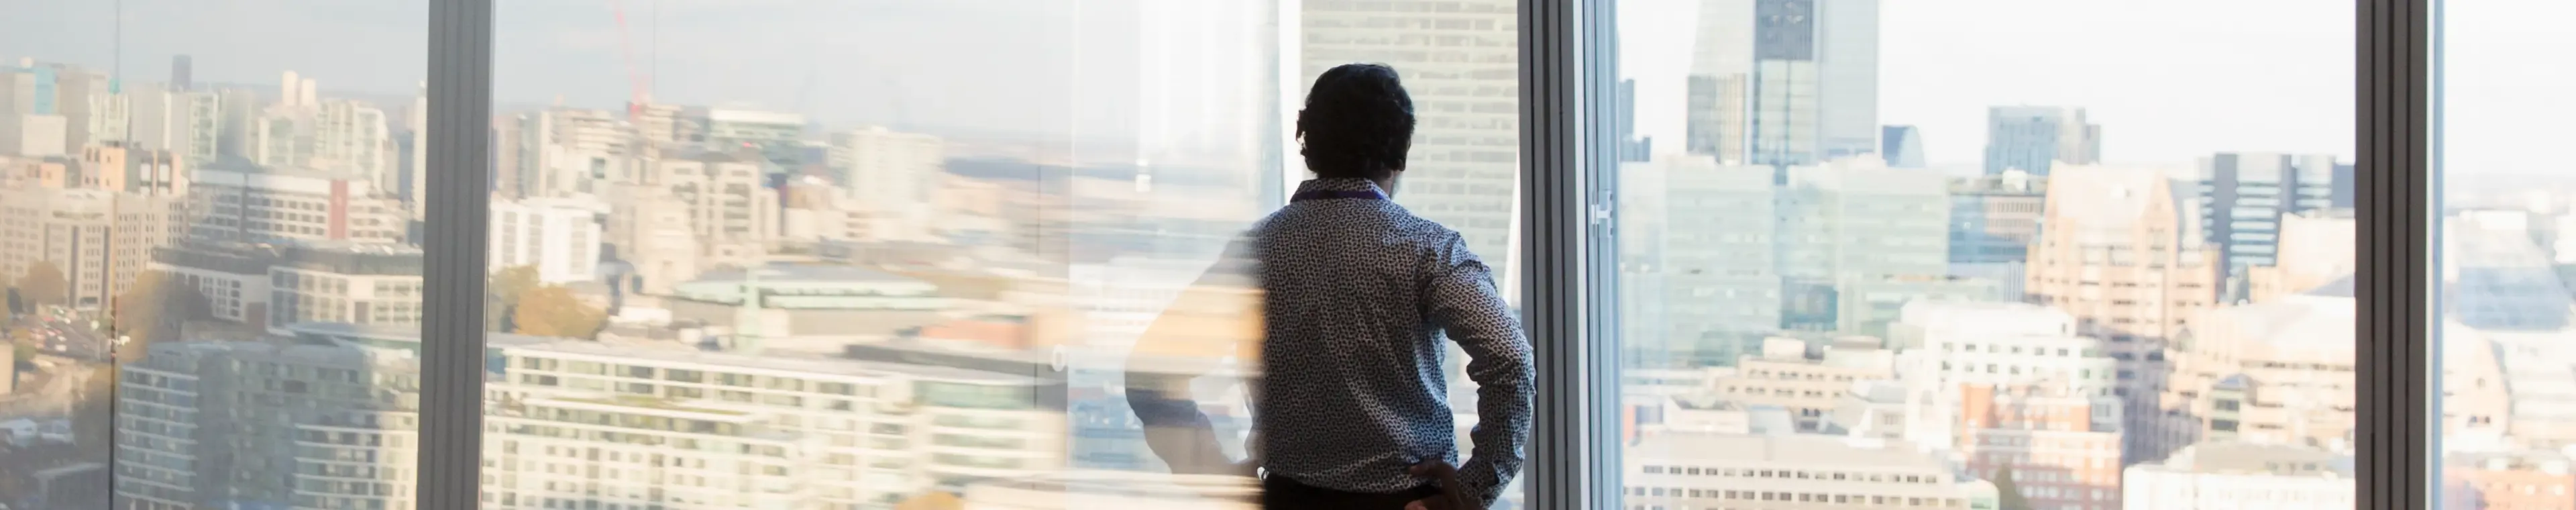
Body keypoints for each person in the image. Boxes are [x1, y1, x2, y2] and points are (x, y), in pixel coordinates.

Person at [1125, 62, 1533, 510]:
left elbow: (1151, 373)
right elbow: (1510, 359)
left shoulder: (1255, 252)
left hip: (1287, 499)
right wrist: (1475, 488)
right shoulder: (1429, 251)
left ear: (1308, 148)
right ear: (1401, 156)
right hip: (1405, 502)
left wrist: (1216, 474)